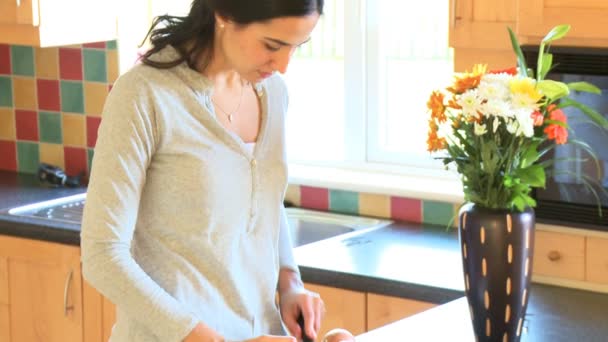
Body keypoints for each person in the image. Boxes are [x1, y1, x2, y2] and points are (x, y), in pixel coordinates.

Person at [80, 1, 325, 341]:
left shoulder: (273, 93)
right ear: (224, 14)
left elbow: (263, 200)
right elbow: (101, 255)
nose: (283, 65)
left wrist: (289, 282)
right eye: (272, 45)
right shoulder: (145, 95)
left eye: (297, 47)